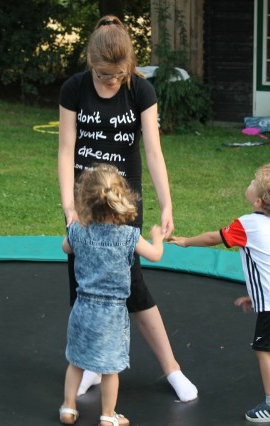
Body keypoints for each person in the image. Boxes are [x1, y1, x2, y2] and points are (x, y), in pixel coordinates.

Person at [57, 14, 197, 403]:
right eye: (104, 75)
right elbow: (66, 150)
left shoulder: (141, 91)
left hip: (123, 203)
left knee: (132, 286)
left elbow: (152, 150)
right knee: (82, 284)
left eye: (117, 74)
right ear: (91, 62)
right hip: (85, 201)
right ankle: (86, 370)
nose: (110, 81)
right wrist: (69, 207)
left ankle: (171, 368)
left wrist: (167, 202)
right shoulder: (74, 89)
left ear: (129, 67)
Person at [168, 164, 270, 423]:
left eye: (253, 182)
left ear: (258, 200)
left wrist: (186, 241)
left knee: (263, 348)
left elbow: (214, 237)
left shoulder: (247, 224)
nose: (249, 182)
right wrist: (257, 296)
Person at [59, 164, 166, 426]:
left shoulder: (78, 231)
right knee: (110, 368)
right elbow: (155, 254)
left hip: (83, 307)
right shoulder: (130, 236)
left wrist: (74, 226)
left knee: (76, 362)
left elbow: (65, 248)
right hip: (113, 312)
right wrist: (157, 237)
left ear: (85, 200)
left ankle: (68, 407)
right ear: (121, 198)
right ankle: (108, 415)